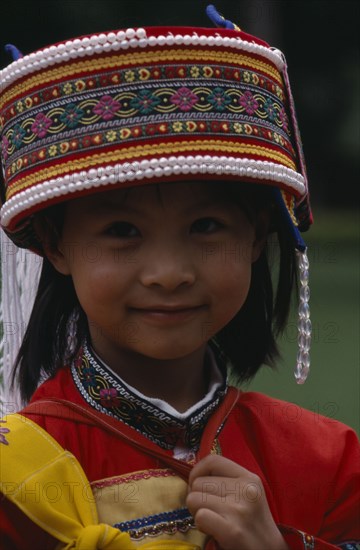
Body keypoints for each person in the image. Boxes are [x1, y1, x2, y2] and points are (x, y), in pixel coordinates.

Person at [0, 5, 359, 550]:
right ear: (55, 245)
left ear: (258, 236)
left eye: (206, 226)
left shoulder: (328, 461)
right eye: (122, 230)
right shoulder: (15, 475)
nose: (169, 274)